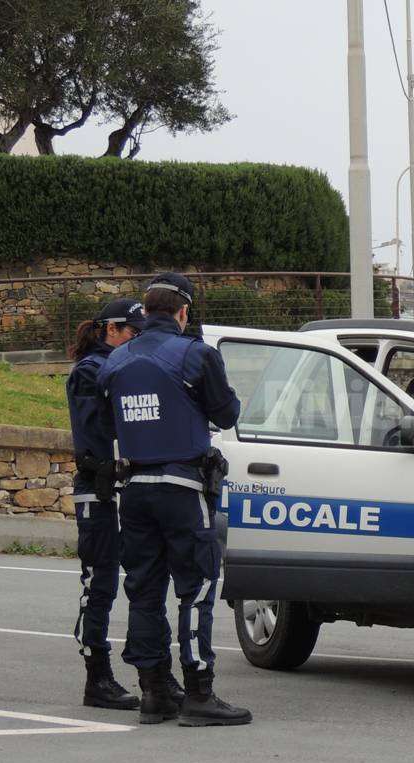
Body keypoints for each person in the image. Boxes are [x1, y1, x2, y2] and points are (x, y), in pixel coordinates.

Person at [97, 273, 250, 727]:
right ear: (183, 313)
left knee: (144, 589)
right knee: (196, 588)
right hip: (182, 487)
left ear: (144, 313)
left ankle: (154, 690)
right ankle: (199, 692)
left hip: (135, 490)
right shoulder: (196, 354)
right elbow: (226, 412)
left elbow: (107, 421)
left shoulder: (116, 359)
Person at [66, 298, 149, 709]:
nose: (138, 340)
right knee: (99, 584)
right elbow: (98, 435)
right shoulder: (91, 372)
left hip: (124, 487)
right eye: (134, 332)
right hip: (99, 490)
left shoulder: (116, 367)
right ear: (111, 330)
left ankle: (150, 672)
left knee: (140, 580)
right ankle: (97, 676)